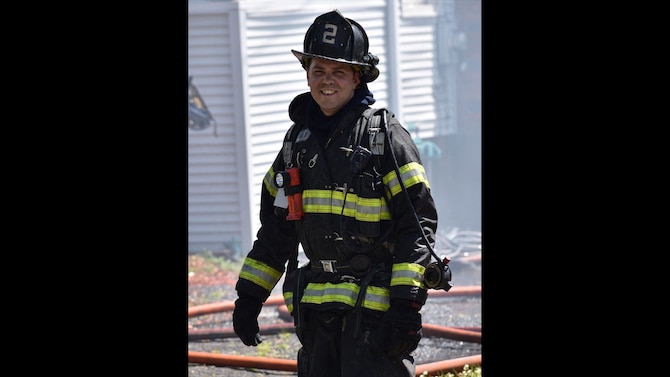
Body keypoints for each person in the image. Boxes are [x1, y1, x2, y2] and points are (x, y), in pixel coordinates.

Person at [232, 9, 440, 377]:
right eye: (319, 71)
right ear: (308, 74)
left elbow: (417, 226)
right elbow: (276, 233)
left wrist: (407, 305)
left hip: (376, 320)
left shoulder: (386, 139)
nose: (327, 81)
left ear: (357, 78)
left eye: (339, 72)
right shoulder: (296, 144)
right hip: (316, 322)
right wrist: (249, 297)